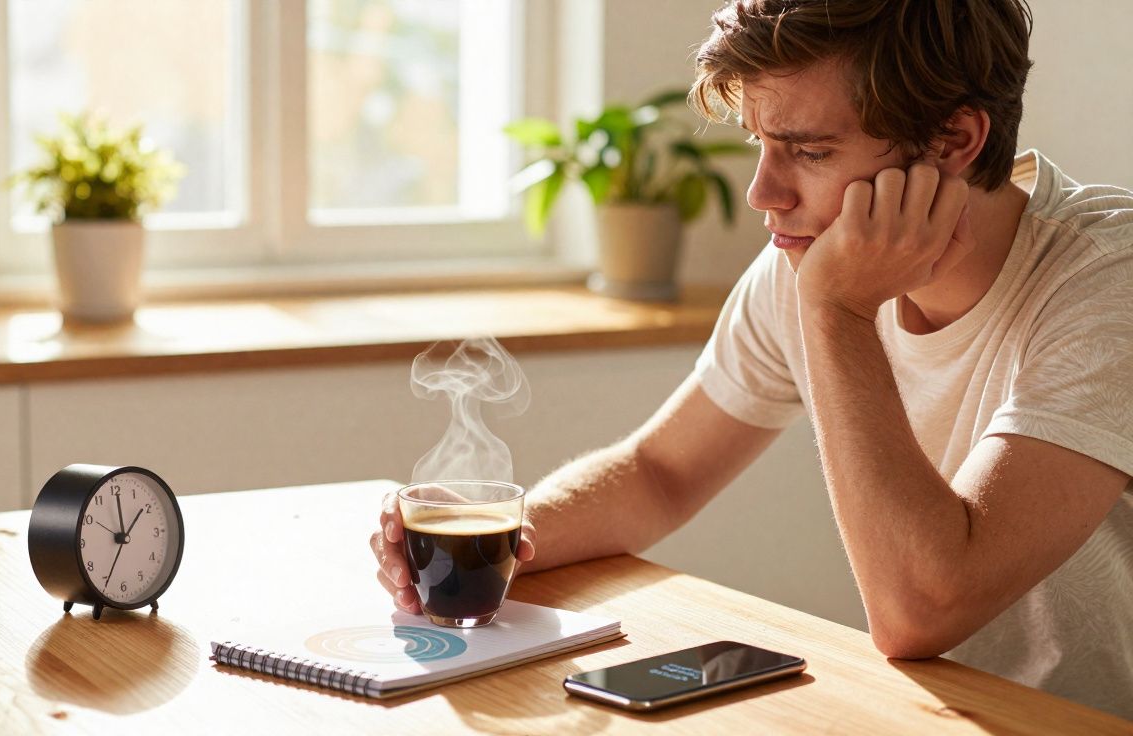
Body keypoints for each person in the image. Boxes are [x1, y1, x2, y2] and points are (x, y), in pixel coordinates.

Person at [371, 0, 1133, 718]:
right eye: (759, 144)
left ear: (954, 142)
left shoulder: (1106, 280)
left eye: (808, 151)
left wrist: (835, 312)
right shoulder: (805, 262)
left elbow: (922, 609)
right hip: (939, 712)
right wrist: (498, 539)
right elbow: (659, 474)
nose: (763, 194)